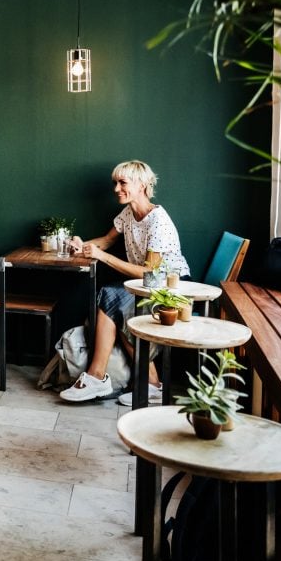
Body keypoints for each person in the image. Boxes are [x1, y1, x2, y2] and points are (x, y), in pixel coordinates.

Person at [60, 160, 190, 404]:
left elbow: (150, 273)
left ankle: (100, 378)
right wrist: (83, 246)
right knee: (111, 295)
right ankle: (148, 383)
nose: (116, 189)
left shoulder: (158, 221)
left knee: (113, 297)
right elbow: (107, 240)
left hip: (171, 288)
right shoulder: (129, 213)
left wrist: (101, 257)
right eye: (115, 183)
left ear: (142, 185)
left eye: (122, 183)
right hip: (145, 284)